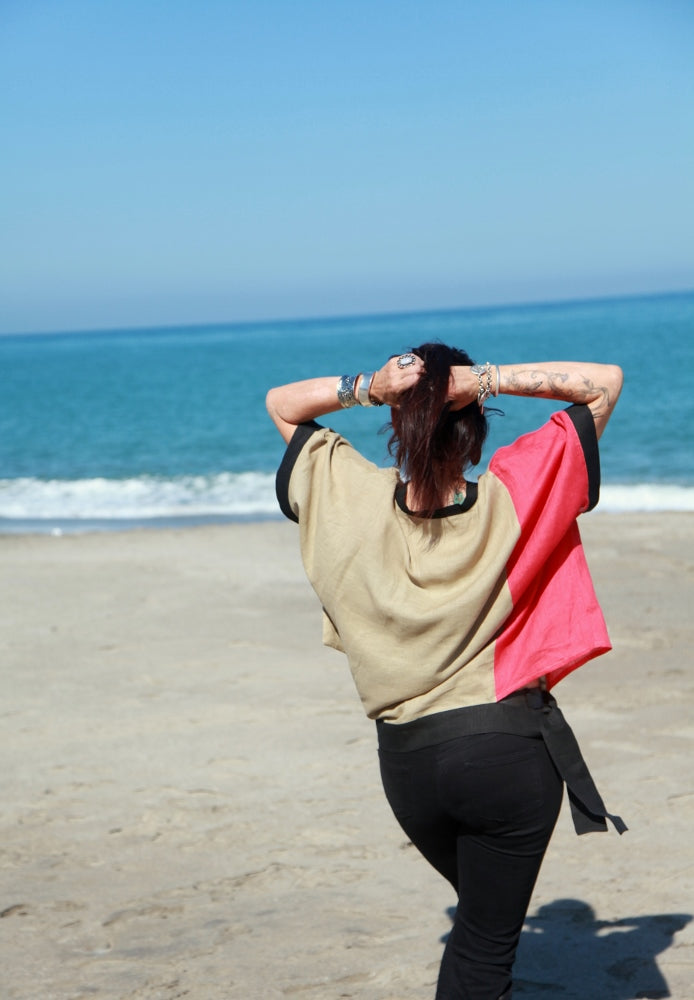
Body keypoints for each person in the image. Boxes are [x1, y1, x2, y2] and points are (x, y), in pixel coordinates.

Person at [266, 344, 626, 1000]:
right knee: (484, 949)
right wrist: (484, 380)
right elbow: (603, 385)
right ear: (476, 426)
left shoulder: (345, 495)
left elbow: (283, 405)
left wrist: (371, 387)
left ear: (397, 425)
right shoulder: (517, 491)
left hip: (408, 766)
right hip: (506, 756)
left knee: (481, 926)